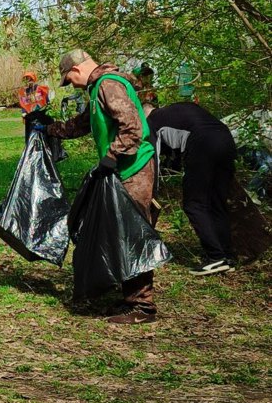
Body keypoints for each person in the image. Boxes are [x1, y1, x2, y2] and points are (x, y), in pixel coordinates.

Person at [45, 49, 157, 324]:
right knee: (119, 231)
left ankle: (143, 307)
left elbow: (132, 128)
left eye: (69, 81)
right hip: (122, 169)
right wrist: (50, 129)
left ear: (75, 70)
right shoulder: (98, 89)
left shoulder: (109, 84)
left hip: (135, 169)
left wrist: (112, 156)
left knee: (133, 232)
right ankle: (129, 298)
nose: (72, 85)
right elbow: (83, 124)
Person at [145, 102, 237, 275]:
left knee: (194, 204)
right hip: (226, 139)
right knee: (217, 202)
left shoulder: (151, 121)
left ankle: (216, 257)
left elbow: (153, 161)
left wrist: (151, 192)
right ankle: (228, 255)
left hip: (202, 144)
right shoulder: (180, 109)